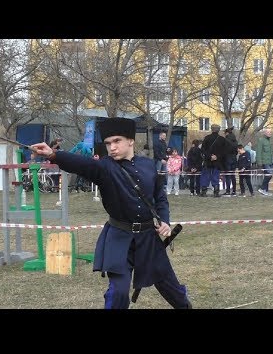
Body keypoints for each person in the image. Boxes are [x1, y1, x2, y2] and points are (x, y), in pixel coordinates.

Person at [31, 117, 191, 309]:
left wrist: (164, 221)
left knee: (171, 289)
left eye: (117, 141)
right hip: (119, 238)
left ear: (130, 140)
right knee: (119, 292)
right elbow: (82, 164)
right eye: (108, 143)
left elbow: (160, 198)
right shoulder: (105, 167)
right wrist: (53, 155)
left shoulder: (148, 165)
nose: (112, 147)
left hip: (149, 239)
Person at [200, 124, 227, 197]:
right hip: (217, 162)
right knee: (215, 177)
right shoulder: (222, 139)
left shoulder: (207, 138)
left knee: (205, 177)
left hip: (207, 161)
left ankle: (203, 192)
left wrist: (209, 156)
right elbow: (224, 152)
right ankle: (216, 192)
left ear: (211, 129)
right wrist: (216, 156)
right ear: (219, 130)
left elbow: (202, 150)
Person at [256, 128, 273, 196]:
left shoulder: (269, 141)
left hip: (270, 162)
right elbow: (258, 151)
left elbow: (271, 152)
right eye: (268, 132)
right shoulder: (261, 140)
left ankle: (265, 191)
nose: (270, 133)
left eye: (270, 132)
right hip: (264, 161)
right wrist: (259, 162)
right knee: (269, 174)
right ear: (265, 133)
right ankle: (262, 188)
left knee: (268, 175)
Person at [223, 126, 238, 196]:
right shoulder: (235, 140)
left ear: (227, 133)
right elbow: (236, 151)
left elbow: (224, 150)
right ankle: (234, 191)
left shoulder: (226, 140)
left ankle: (228, 190)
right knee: (233, 175)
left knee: (227, 175)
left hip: (227, 158)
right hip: (234, 158)